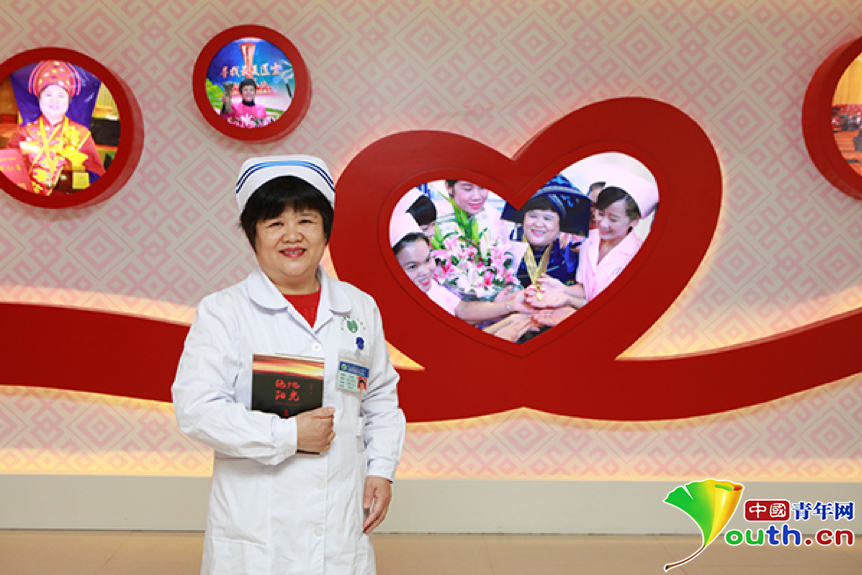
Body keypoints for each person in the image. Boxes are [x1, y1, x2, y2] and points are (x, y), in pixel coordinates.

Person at [172, 155, 406, 575]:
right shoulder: (224, 311)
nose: (292, 235)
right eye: (275, 223)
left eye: (306, 220)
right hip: (257, 524)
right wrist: (288, 435)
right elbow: (197, 409)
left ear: (325, 231)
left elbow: (381, 399)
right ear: (254, 235)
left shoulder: (359, 307)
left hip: (339, 516)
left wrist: (381, 470)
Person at [527, 171, 658, 312]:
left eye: (613, 219)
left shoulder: (640, 255)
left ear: (634, 221)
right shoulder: (590, 239)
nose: (603, 224)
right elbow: (585, 289)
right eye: (600, 214)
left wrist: (571, 300)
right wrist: (563, 288)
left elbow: (617, 309)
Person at [390, 213, 534, 326]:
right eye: (412, 266)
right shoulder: (397, 310)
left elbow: (462, 309)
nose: (425, 271)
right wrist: (509, 323)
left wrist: (510, 305)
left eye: (428, 260)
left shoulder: (432, 286)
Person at [5, 60, 105, 196]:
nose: (54, 100)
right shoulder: (23, 132)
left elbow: (95, 174)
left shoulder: (81, 134)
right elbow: (8, 167)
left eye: (61, 95)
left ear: (69, 101)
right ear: (39, 99)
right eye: (48, 94)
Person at [501, 174, 590, 291]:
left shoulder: (569, 257)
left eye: (547, 218)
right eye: (532, 216)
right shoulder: (503, 251)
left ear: (559, 225)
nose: (538, 224)